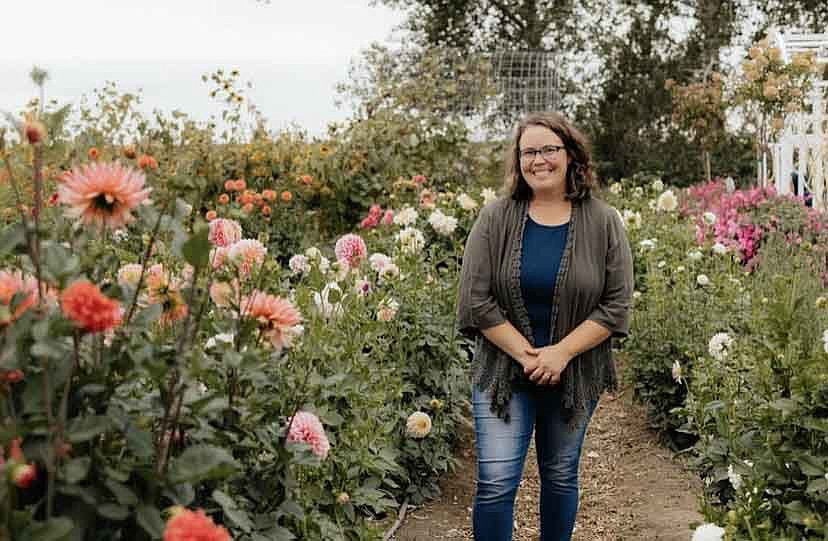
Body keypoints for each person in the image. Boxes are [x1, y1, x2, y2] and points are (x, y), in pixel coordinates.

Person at [456, 112, 633, 541]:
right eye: (529, 152)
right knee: (496, 484)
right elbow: (475, 301)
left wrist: (561, 353)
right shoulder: (495, 219)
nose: (539, 160)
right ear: (518, 162)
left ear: (571, 156)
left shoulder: (603, 222)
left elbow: (616, 305)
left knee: (559, 476)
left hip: (574, 372)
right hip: (503, 373)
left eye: (549, 149)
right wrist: (528, 354)